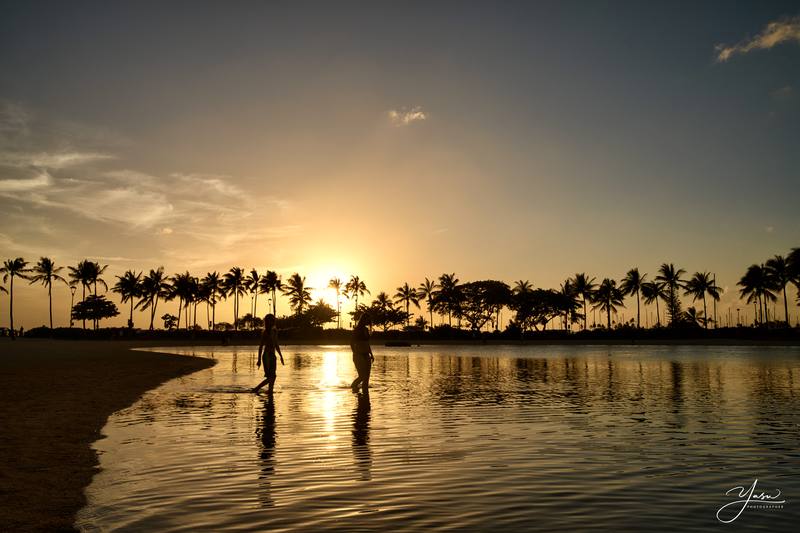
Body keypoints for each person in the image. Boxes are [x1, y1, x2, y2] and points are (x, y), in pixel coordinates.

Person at [253, 314, 284, 394]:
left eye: (273, 319)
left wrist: (281, 356)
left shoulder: (275, 331)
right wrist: (259, 360)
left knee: (273, 376)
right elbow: (260, 347)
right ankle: (256, 389)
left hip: (273, 356)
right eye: (271, 320)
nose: (273, 321)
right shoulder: (265, 333)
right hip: (267, 356)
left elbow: (276, 344)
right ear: (268, 321)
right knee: (271, 377)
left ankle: (270, 391)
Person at [350, 314, 374, 394]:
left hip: (367, 355)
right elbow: (351, 342)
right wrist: (355, 352)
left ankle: (365, 401)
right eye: (367, 319)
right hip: (358, 355)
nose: (368, 321)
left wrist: (371, 354)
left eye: (369, 320)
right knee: (362, 376)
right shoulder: (357, 329)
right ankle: (353, 389)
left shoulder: (366, 330)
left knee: (367, 378)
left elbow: (367, 343)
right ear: (363, 319)